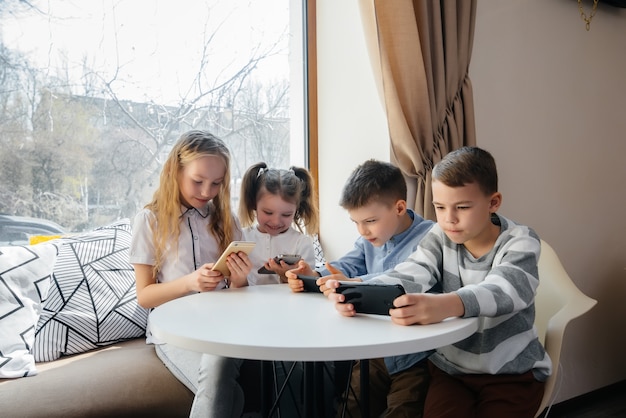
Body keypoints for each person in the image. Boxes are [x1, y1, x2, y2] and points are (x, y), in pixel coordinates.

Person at [328, 146, 552, 418]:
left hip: (510, 373)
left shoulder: (520, 240)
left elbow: (508, 288)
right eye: (440, 207)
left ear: (493, 202)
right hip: (451, 371)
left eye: (463, 207)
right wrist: (355, 292)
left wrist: (447, 304)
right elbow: (410, 272)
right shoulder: (439, 235)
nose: (449, 219)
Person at [286, 159, 435, 418]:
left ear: (400, 207)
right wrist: (313, 275)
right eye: (355, 222)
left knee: (402, 411)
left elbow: (399, 278)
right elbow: (344, 266)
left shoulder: (430, 238)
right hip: (373, 352)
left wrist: (353, 282)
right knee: (350, 410)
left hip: (416, 357)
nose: (362, 230)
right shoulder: (368, 239)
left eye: (369, 220)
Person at [129, 130, 253, 418]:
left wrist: (239, 279)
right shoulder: (150, 221)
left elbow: (241, 295)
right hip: (174, 330)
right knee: (223, 376)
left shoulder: (227, 221)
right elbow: (145, 296)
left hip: (223, 324)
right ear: (175, 171)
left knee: (222, 366)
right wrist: (189, 282)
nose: (207, 191)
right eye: (197, 181)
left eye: (216, 183)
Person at [238, 162, 320, 285]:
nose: (276, 221)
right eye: (268, 212)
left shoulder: (302, 243)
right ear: (254, 204)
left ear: (297, 209)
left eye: (286, 215)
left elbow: (309, 286)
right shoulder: (241, 238)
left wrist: (287, 278)